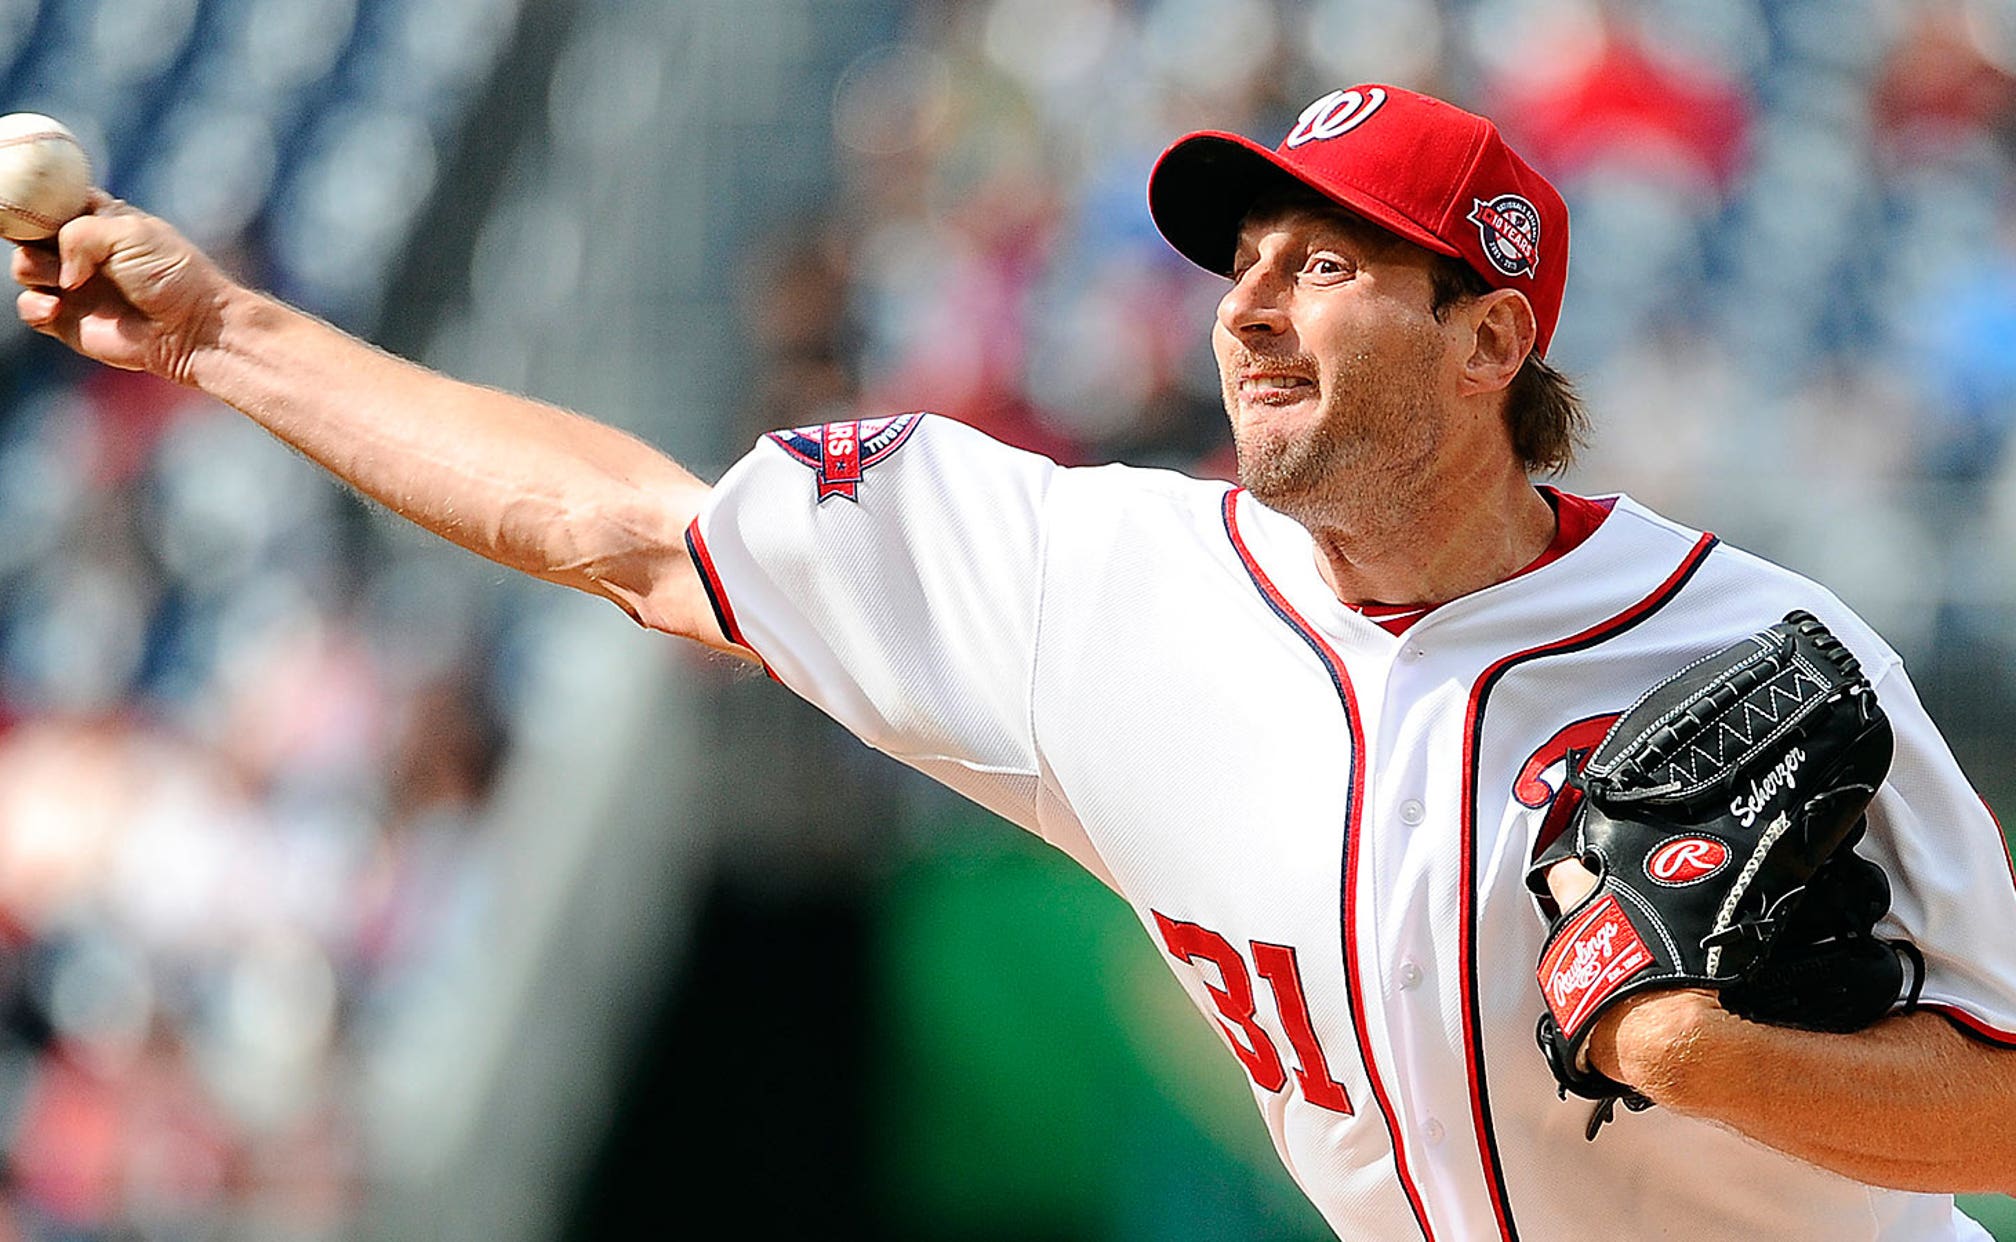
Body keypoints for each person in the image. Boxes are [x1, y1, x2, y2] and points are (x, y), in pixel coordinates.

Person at [14, 82, 2016, 1241]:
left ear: (1493, 343)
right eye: (1238, 259)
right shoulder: (1087, 583)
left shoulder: (1763, 652)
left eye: (1326, 263)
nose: (1250, 307)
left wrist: (1697, 1057)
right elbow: (625, 529)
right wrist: (222, 340)